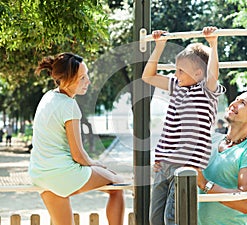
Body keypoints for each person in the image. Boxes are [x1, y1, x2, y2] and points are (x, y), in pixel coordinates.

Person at [28, 53, 125, 225]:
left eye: (86, 75)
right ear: (65, 79)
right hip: (63, 173)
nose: (87, 81)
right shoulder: (69, 105)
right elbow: (78, 156)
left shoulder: (48, 97)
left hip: (40, 174)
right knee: (117, 185)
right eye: (82, 78)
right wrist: (96, 164)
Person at [142, 26, 226, 225]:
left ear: (198, 73)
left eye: (180, 70)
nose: (176, 73)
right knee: (155, 217)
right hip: (163, 165)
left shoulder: (207, 90)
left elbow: (213, 71)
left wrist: (213, 44)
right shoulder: (176, 86)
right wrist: (159, 47)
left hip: (186, 166)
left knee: (173, 217)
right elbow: (148, 76)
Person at [196, 90, 247, 225]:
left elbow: (245, 203)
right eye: (236, 99)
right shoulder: (212, 140)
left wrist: (204, 184)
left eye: (242, 103)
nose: (234, 104)